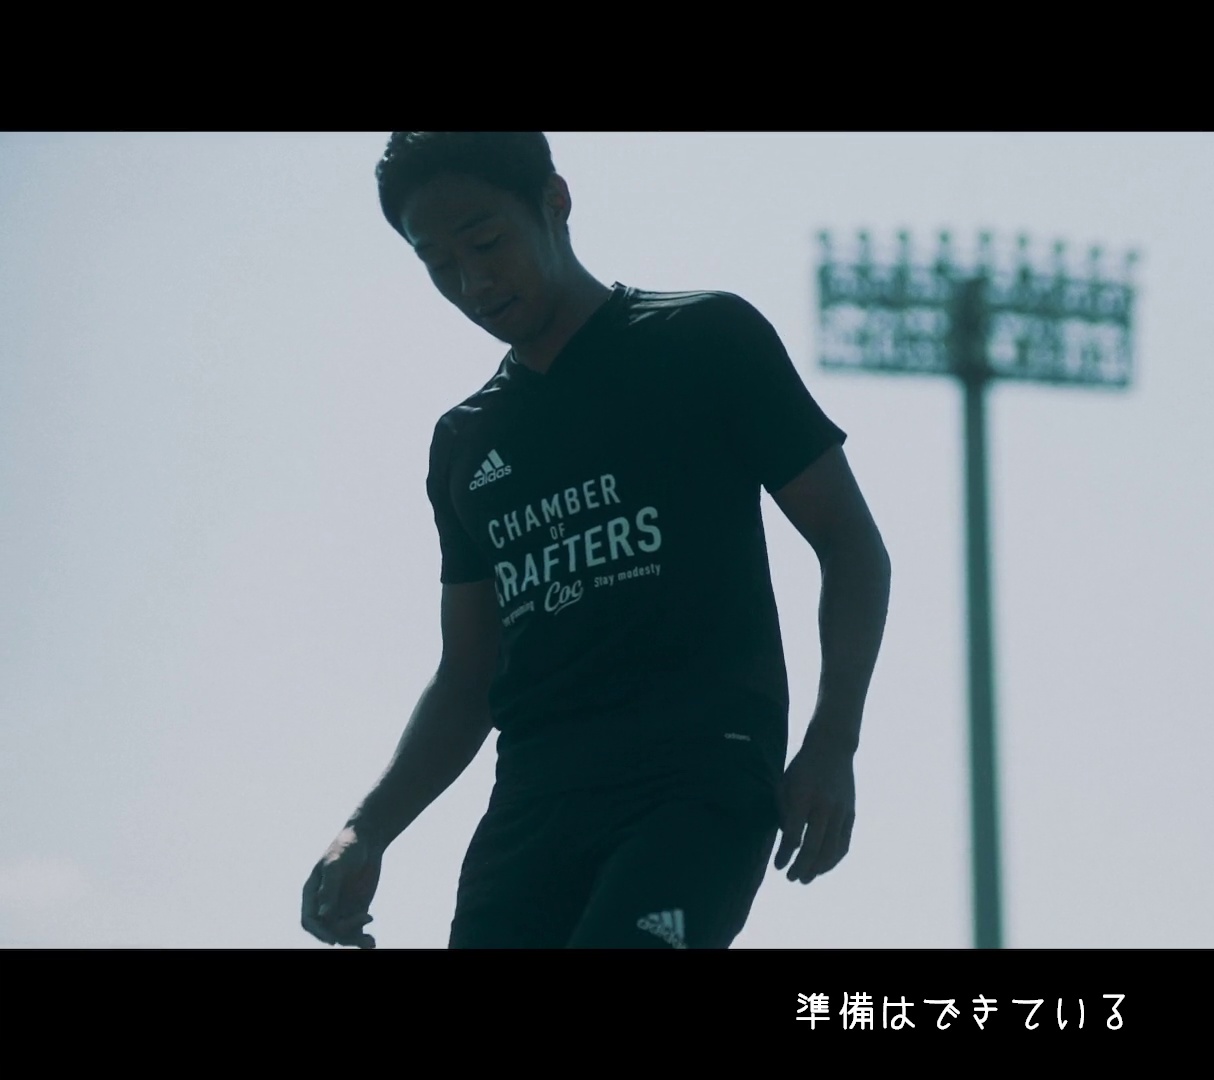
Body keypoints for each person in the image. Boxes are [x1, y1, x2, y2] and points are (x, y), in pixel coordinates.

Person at [299, 132, 890, 948]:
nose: (472, 282)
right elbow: (468, 677)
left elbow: (850, 543)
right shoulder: (466, 443)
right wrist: (366, 829)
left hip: (697, 784)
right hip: (532, 811)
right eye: (437, 263)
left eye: (486, 242)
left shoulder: (706, 340)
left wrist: (832, 743)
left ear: (555, 201)